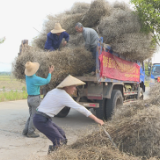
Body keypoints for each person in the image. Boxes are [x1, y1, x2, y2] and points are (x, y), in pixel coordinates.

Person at [33, 75, 104, 154]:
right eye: (73, 86)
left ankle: (58, 153)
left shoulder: (55, 91)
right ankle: (53, 156)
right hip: (41, 120)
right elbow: (80, 108)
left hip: (44, 118)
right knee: (60, 141)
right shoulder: (63, 95)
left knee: (62, 134)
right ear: (67, 86)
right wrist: (95, 118)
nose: (75, 89)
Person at [22, 61, 54, 138]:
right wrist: (50, 72)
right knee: (34, 116)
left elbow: (32, 74)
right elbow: (47, 81)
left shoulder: (27, 77)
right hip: (35, 99)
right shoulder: (36, 79)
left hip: (29, 98)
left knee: (31, 115)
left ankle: (25, 130)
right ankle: (30, 132)